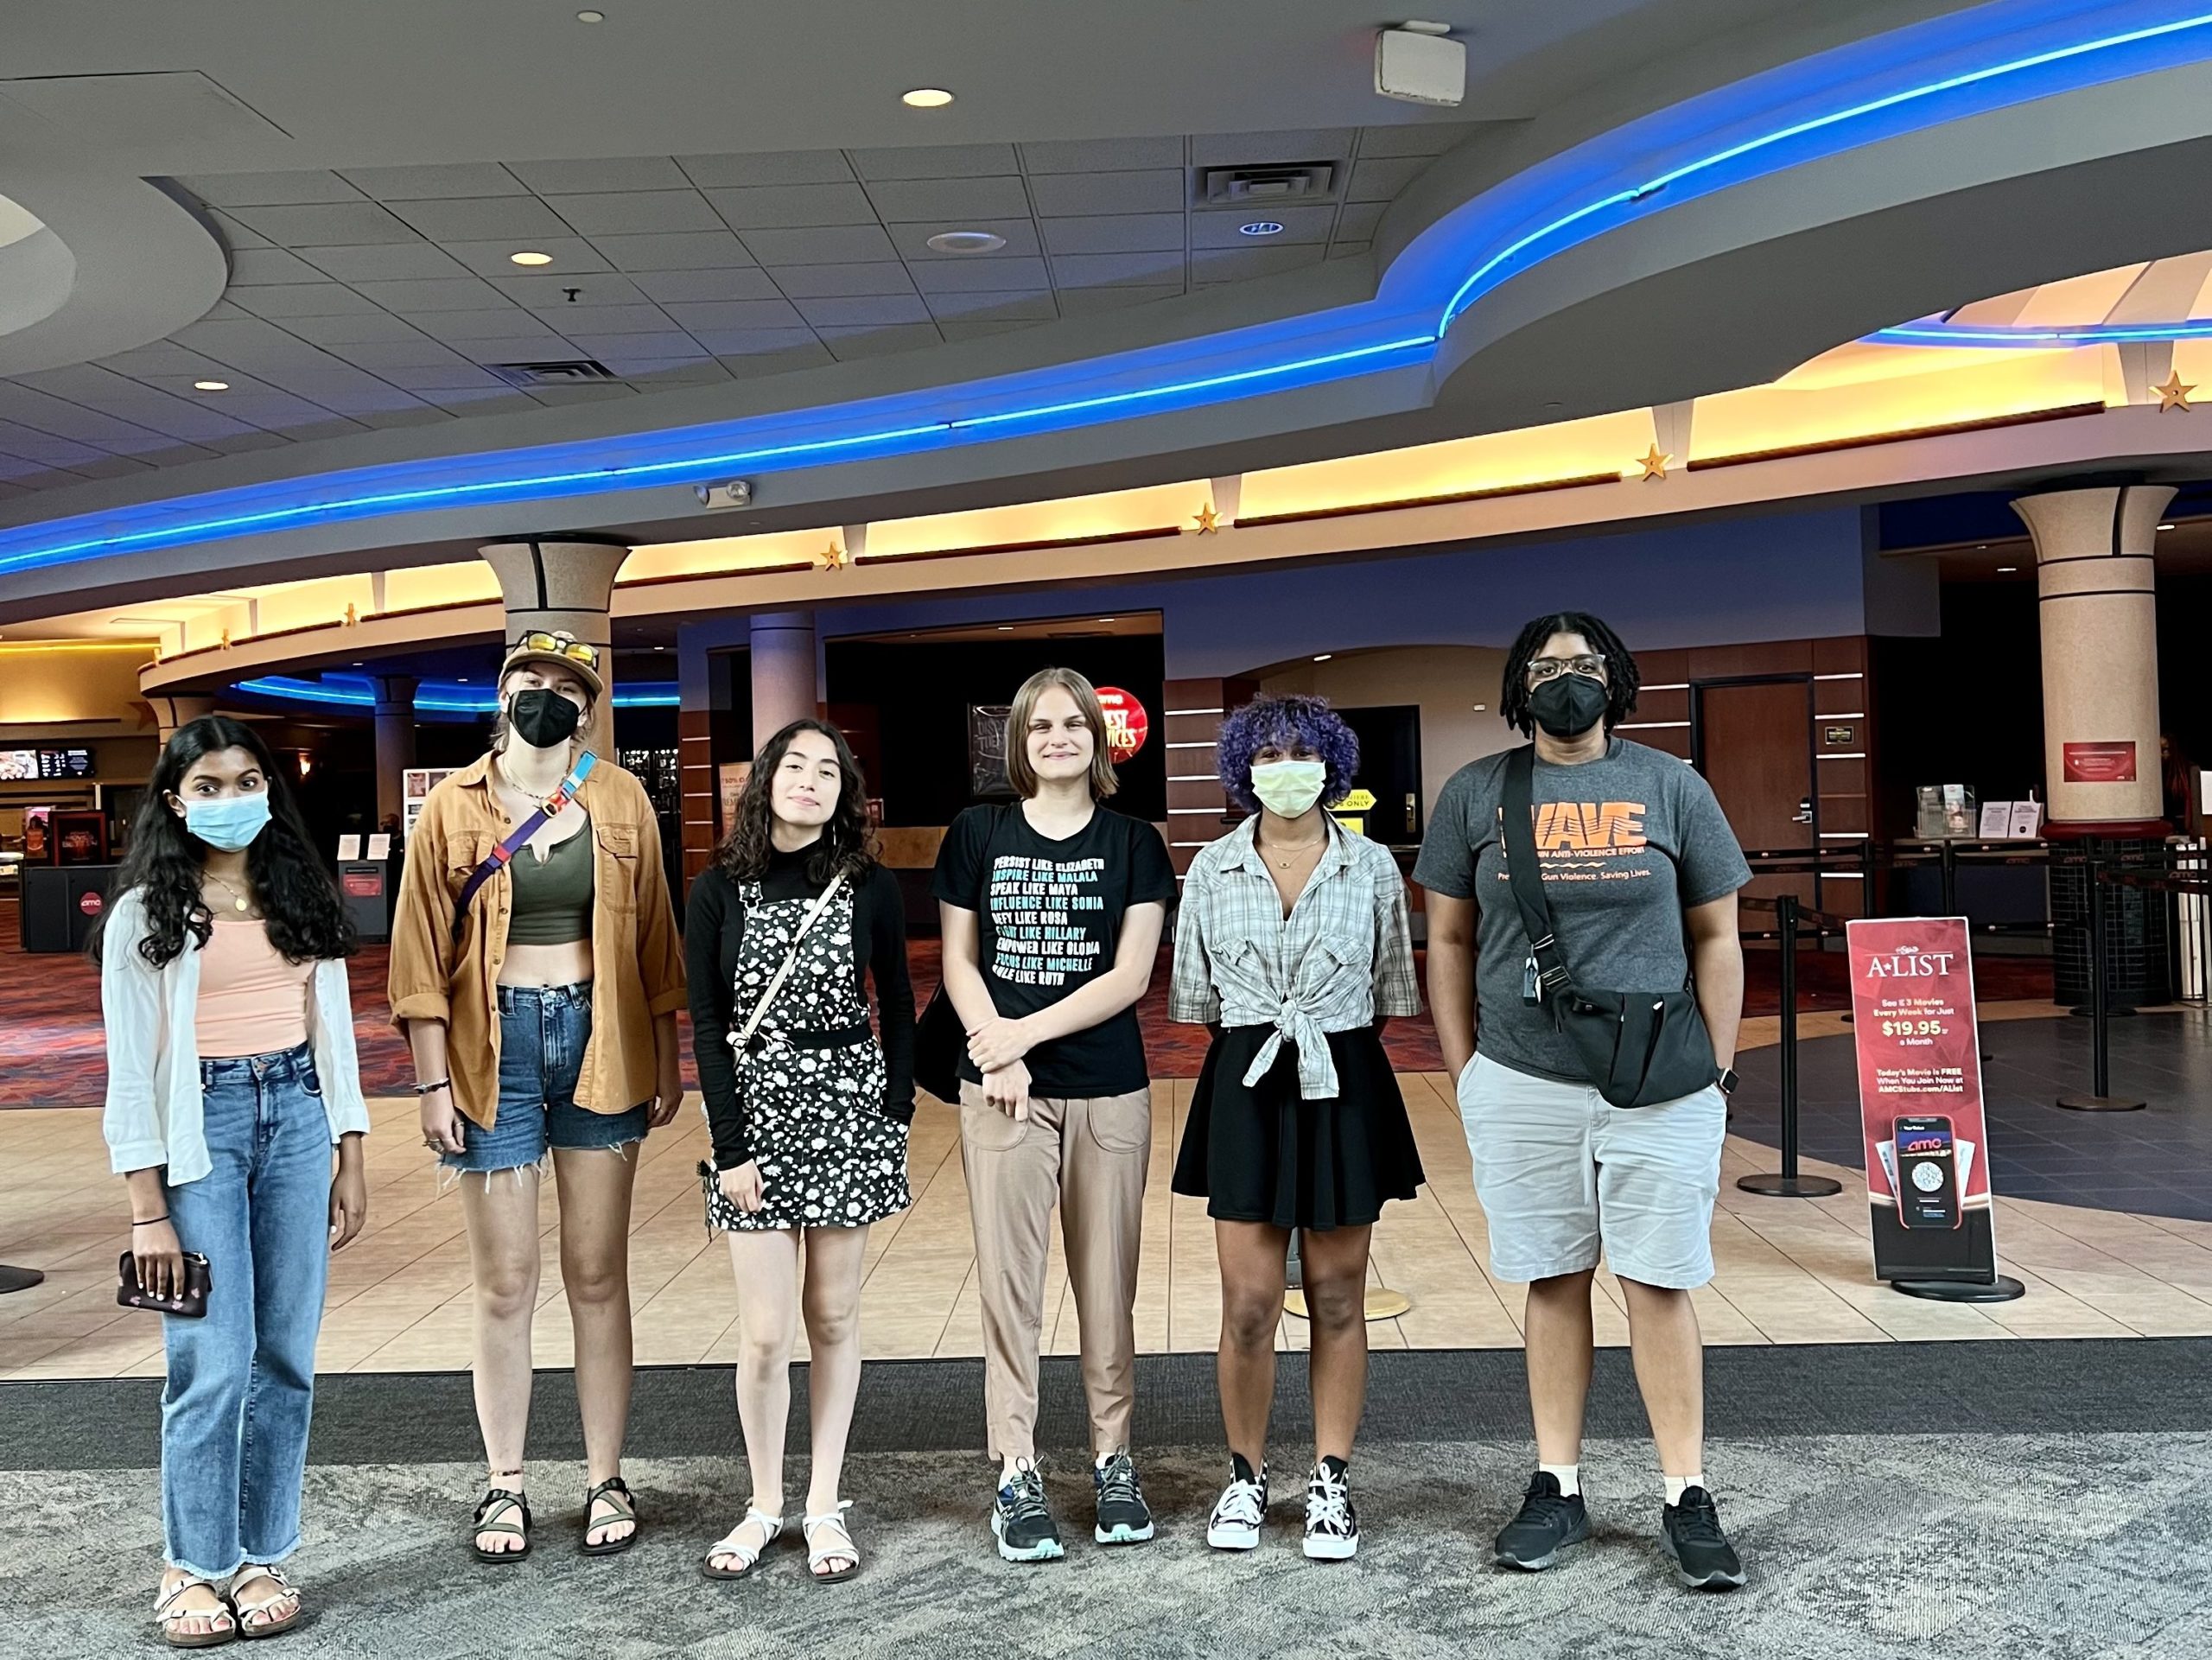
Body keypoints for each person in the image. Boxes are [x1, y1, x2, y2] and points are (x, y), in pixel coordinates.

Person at [1414, 612, 1752, 1591]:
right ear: (1519, 686)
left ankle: (1685, 1491)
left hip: (1661, 1077)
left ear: (1618, 677)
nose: (1568, 678)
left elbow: (1717, 936)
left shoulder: (1669, 785)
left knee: (1657, 1281)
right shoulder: (1478, 792)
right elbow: (1446, 939)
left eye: (1585, 662)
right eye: (1547, 665)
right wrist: (1466, 1067)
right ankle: (1556, 1483)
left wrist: (1719, 1072)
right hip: (1522, 1076)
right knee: (1553, 1277)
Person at [389, 630, 686, 1563]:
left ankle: (605, 1474)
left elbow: (656, 940)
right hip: (491, 1049)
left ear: (590, 706)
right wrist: (432, 1078)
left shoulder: (621, 796)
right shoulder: (451, 804)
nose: (547, 695)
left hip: (603, 1041)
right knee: (505, 1281)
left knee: (598, 1275)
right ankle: (505, 1482)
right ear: (502, 693)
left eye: (567, 684)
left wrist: (668, 1056)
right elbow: (418, 951)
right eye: (531, 679)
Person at [99, 716, 369, 1647]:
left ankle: (259, 1553)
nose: (228, 800)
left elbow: (329, 1027)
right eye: (207, 787)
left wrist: (350, 1150)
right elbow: (131, 1070)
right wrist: (147, 1212)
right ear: (175, 800)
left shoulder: (298, 889)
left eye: (245, 781)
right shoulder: (145, 913)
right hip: (198, 1133)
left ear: (269, 788)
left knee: (287, 1354)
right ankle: (192, 1563)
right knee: (212, 1362)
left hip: (296, 1115)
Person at [1169, 695, 1423, 1561]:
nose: (1285, 766)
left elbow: (1391, 995)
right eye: (1267, 752)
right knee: (1246, 1302)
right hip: (1243, 1083)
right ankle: (1244, 1475)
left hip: (1343, 1078)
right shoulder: (1208, 868)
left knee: (1337, 1294)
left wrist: (1318, 1041)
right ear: (1242, 769)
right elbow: (1197, 1003)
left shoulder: (1373, 868)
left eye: (1301, 750)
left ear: (1331, 764)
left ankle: (1329, 1477)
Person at [932, 666, 1176, 1563]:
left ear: (1099, 742)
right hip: (1000, 1094)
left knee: (1106, 1285)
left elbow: (1130, 976)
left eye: (1075, 724)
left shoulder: (1132, 843)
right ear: (1020, 742)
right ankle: (1017, 1468)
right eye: (1041, 726)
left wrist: (1016, 1037)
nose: (1059, 738)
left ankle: (1113, 1460)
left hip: (1106, 1087)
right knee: (1009, 1288)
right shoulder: (978, 832)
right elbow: (959, 960)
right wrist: (997, 1053)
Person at [686, 719, 916, 1583]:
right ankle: (762, 1502)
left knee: (833, 1318)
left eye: (828, 771)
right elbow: (708, 1025)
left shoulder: (869, 886)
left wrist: (891, 1116)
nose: (810, 782)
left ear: (844, 793)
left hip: (847, 1110)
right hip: (756, 1119)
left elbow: (895, 997)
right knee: (766, 1332)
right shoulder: (718, 889)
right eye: (795, 766)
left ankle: (823, 1502)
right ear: (764, 782)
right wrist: (729, 1143)